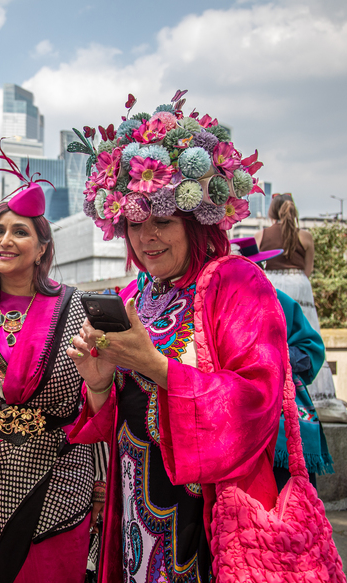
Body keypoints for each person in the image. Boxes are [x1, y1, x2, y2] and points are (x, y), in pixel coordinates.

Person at [67, 92, 289, 582]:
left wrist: (156, 366)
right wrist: (99, 381)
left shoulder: (236, 283)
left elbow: (258, 401)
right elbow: (120, 417)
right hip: (135, 506)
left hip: (206, 515)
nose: (147, 238)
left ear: (194, 220)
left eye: (162, 222)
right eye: (135, 223)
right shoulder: (133, 294)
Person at [0, 145, 108, 583]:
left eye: (19, 231)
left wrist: (101, 479)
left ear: (42, 248)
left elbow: (95, 400)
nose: (5, 240)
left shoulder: (79, 310)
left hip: (63, 468)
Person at [231, 237, 334, 490]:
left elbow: (312, 350)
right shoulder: (219, 305)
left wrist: (274, 355)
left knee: (293, 496)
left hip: (283, 409)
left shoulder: (281, 301)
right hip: (239, 415)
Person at [256, 193, 345, 421]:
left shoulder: (261, 235)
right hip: (300, 284)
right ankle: (318, 396)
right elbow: (308, 269)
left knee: (274, 338)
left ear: (271, 211)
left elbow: (254, 268)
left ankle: (277, 394)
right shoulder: (305, 236)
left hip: (273, 285)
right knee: (307, 334)